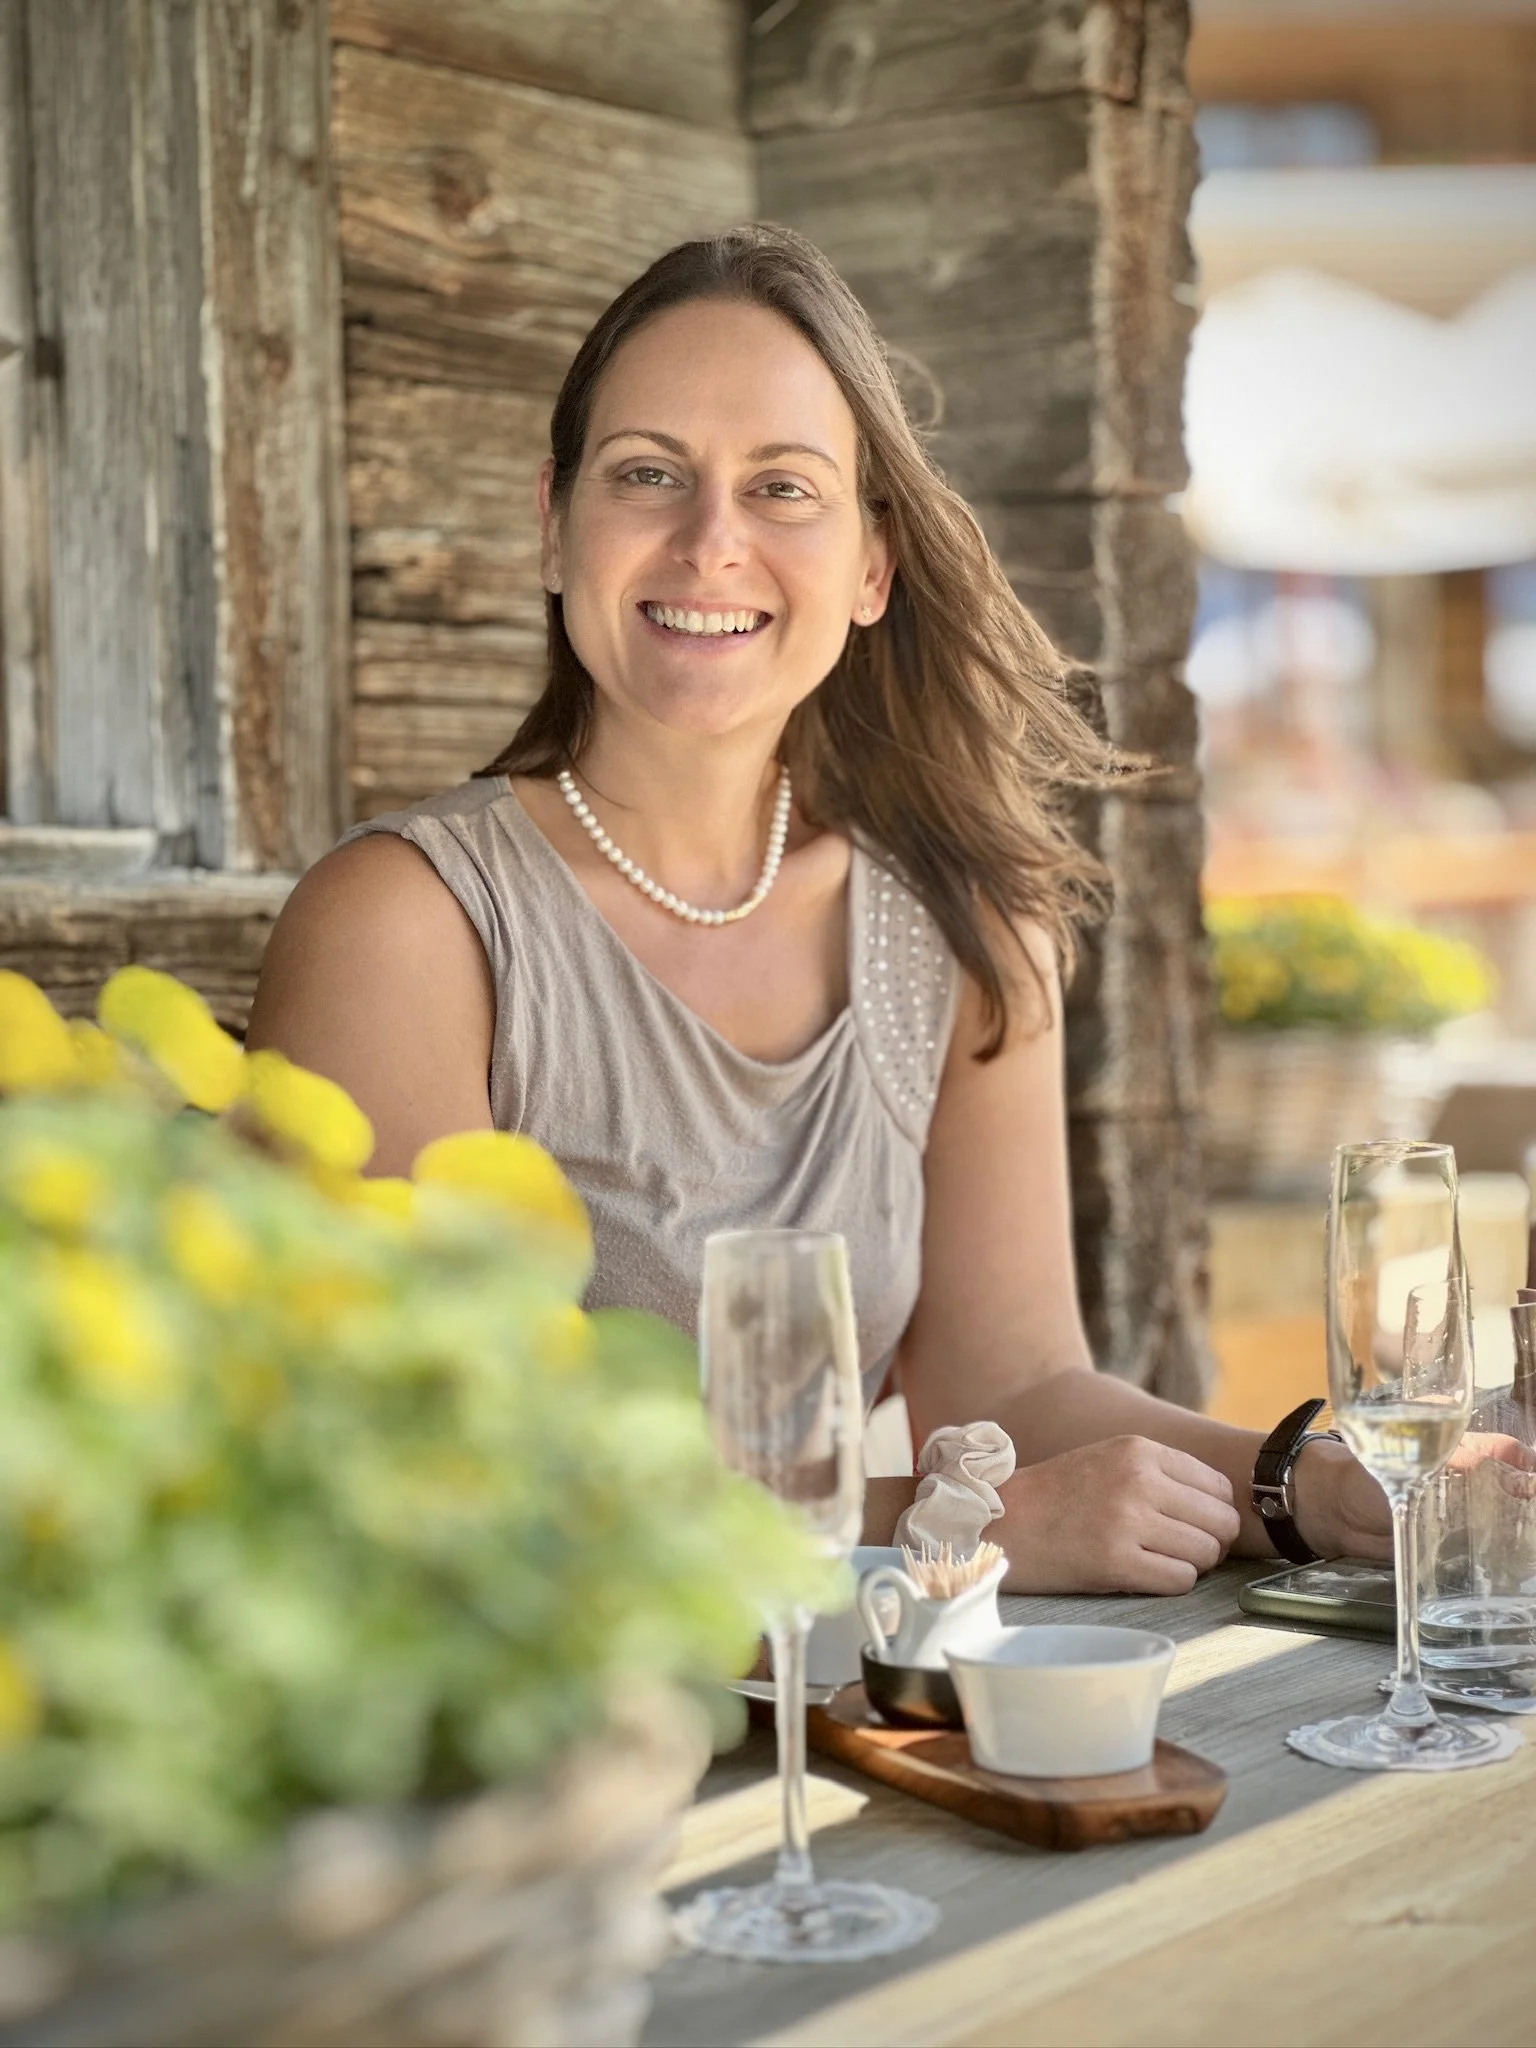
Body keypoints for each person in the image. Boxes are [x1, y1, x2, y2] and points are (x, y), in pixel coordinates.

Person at [248, 223, 1394, 1593]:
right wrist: (946, 1526)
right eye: (648, 475)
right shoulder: (406, 927)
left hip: (839, 1729)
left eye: (782, 488)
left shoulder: (963, 927)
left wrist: (1303, 1484)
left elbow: (1016, 1389)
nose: (710, 540)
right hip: (526, 1764)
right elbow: (423, 1476)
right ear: (555, 530)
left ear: (870, 567)